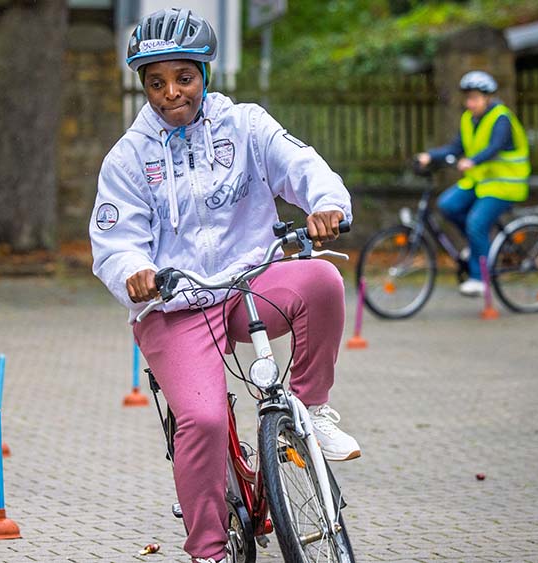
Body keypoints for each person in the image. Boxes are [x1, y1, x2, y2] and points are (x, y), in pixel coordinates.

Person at [89, 8, 360, 563]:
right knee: (206, 420)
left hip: (247, 282)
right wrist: (132, 273)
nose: (170, 94)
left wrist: (327, 204)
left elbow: (301, 166)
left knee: (323, 279)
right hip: (175, 304)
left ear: (205, 75)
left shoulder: (247, 126)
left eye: (183, 78)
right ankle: (209, 551)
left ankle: (310, 410)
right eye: (155, 82)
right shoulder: (128, 158)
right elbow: (114, 240)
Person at [416, 70, 531, 296]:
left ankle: (480, 278)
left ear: (487, 98)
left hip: (505, 186)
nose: (470, 103)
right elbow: (455, 147)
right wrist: (430, 156)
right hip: (481, 183)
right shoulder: (469, 120)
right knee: (447, 205)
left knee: (476, 222)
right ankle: (477, 245)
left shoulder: (501, 118)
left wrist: (473, 161)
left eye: (475, 98)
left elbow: (494, 146)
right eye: (468, 98)